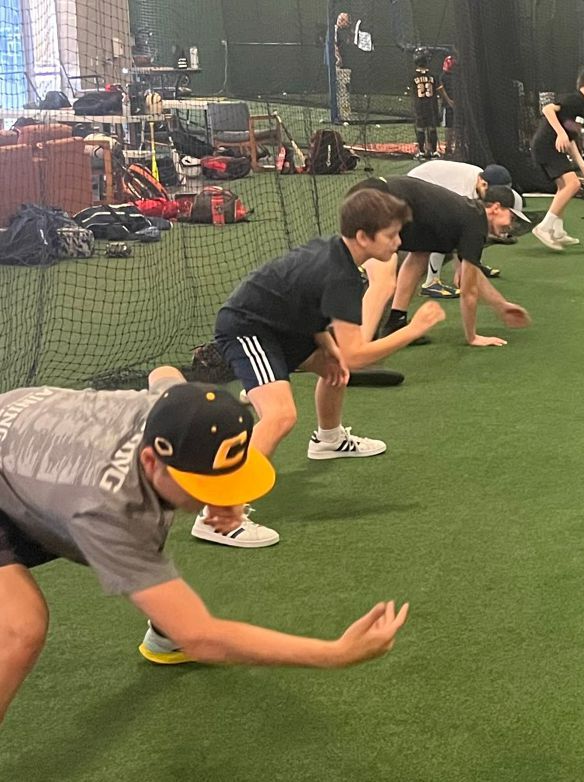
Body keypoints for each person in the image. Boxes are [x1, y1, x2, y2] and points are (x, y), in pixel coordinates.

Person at [0, 370, 411, 725]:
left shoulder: (174, 408)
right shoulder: (110, 509)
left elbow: (165, 373)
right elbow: (201, 637)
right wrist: (335, 654)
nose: (214, 497)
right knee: (22, 628)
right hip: (24, 473)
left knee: (155, 511)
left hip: (24, 428)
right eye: (203, 485)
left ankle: (163, 634)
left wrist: (221, 493)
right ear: (150, 461)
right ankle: (167, 629)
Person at [206, 188, 445, 547]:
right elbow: (359, 356)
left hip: (284, 325)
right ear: (363, 236)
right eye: (392, 235)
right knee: (281, 416)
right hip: (248, 328)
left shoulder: (340, 256)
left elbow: (304, 304)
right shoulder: (341, 275)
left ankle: (329, 440)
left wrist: (328, 347)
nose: (399, 243)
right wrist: (413, 330)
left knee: (334, 368)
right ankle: (219, 513)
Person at [351, 176, 531, 349]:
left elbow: (471, 275)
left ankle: (396, 322)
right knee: (383, 283)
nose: (511, 226)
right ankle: (356, 352)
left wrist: (501, 305)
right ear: (496, 208)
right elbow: (468, 291)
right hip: (379, 198)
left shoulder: (466, 216)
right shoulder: (475, 225)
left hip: (373, 193)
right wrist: (472, 337)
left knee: (420, 254)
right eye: (512, 217)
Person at [407, 160, 529, 296]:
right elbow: (458, 230)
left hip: (433, 185)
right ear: (483, 183)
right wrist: (461, 268)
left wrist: (469, 263)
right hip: (417, 186)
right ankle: (431, 283)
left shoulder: (481, 184)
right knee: (441, 233)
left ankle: (476, 264)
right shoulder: (463, 191)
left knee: (475, 223)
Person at [530, 65, 584, 251]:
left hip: (555, 148)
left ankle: (557, 231)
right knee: (573, 184)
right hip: (546, 146)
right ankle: (544, 227)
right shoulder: (574, 99)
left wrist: (582, 164)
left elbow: (570, 139)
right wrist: (560, 133)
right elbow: (548, 109)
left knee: (564, 187)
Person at [410, 49, 441, 160]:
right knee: (432, 128)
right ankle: (434, 151)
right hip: (431, 106)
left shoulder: (414, 77)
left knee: (420, 128)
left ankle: (422, 152)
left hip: (420, 106)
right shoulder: (432, 76)